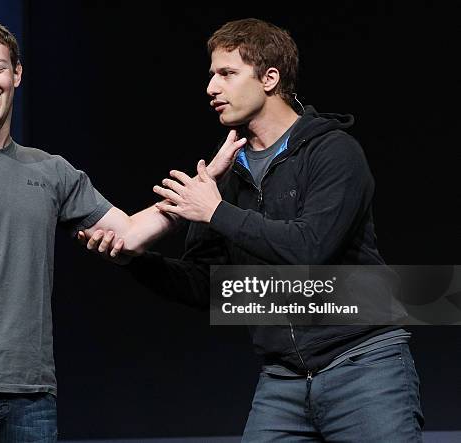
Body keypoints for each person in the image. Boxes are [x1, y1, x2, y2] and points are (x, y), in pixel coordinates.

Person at [0, 18, 244, 443]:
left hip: (33, 392)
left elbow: (126, 232)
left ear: (17, 73)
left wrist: (201, 189)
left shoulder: (52, 171)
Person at [83, 18, 424, 442]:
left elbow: (309, 251)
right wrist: (134, 261)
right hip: (283, 379)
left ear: (270, 78)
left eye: (226, 73)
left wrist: (216, 212)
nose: (211, 88)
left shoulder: (333, 152)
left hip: (363, 367)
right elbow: (210, 289)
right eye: (211, 75)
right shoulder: (226, 178)